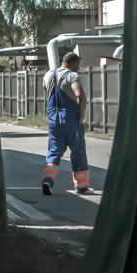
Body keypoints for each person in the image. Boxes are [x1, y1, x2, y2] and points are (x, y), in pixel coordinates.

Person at [42, 51, 91, 196]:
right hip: (70, 119)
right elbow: (79, 93)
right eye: (78, 64)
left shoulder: (48, 74)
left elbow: (45, 88)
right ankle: (81, 187)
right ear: (74, 63)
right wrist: (82, 113)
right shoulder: (72, 76)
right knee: (78, 152)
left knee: (54, 151)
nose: (78, 67)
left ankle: (47, 180)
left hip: (53, 119)